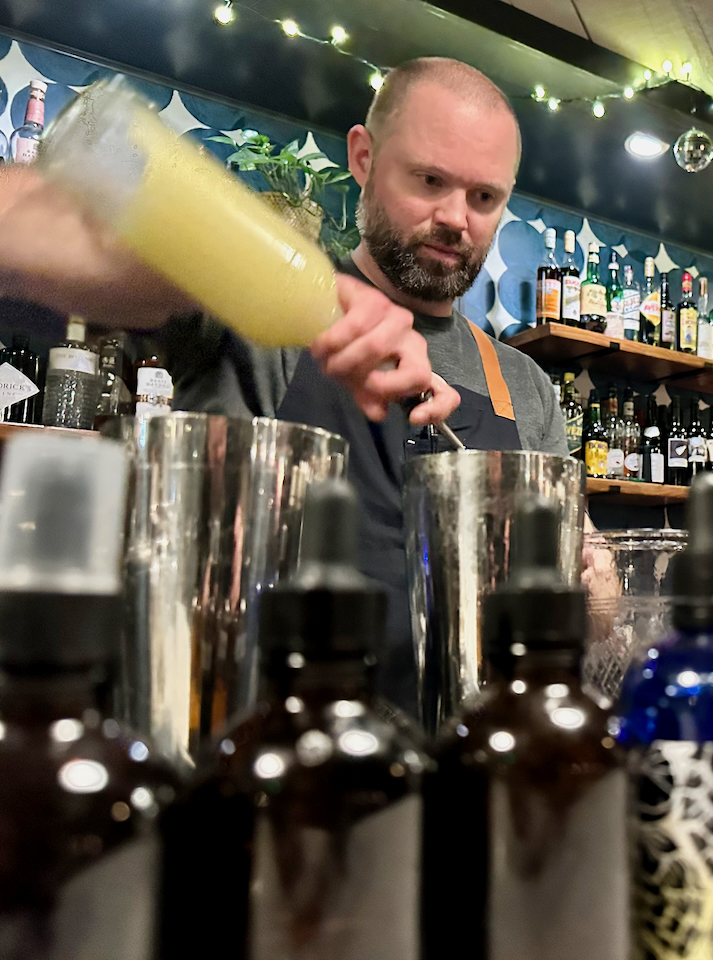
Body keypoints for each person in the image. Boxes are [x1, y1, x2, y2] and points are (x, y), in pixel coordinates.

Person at [0, 57, 568, 715]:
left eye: (484, 198)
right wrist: (282, 285)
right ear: (363, 157)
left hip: (459, 775)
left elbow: (571, 611)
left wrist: (596, 582)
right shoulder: (247, 310)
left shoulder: (525, 388)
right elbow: (39, 229)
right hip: (251, 760)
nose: (455, 218)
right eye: (430, 180)